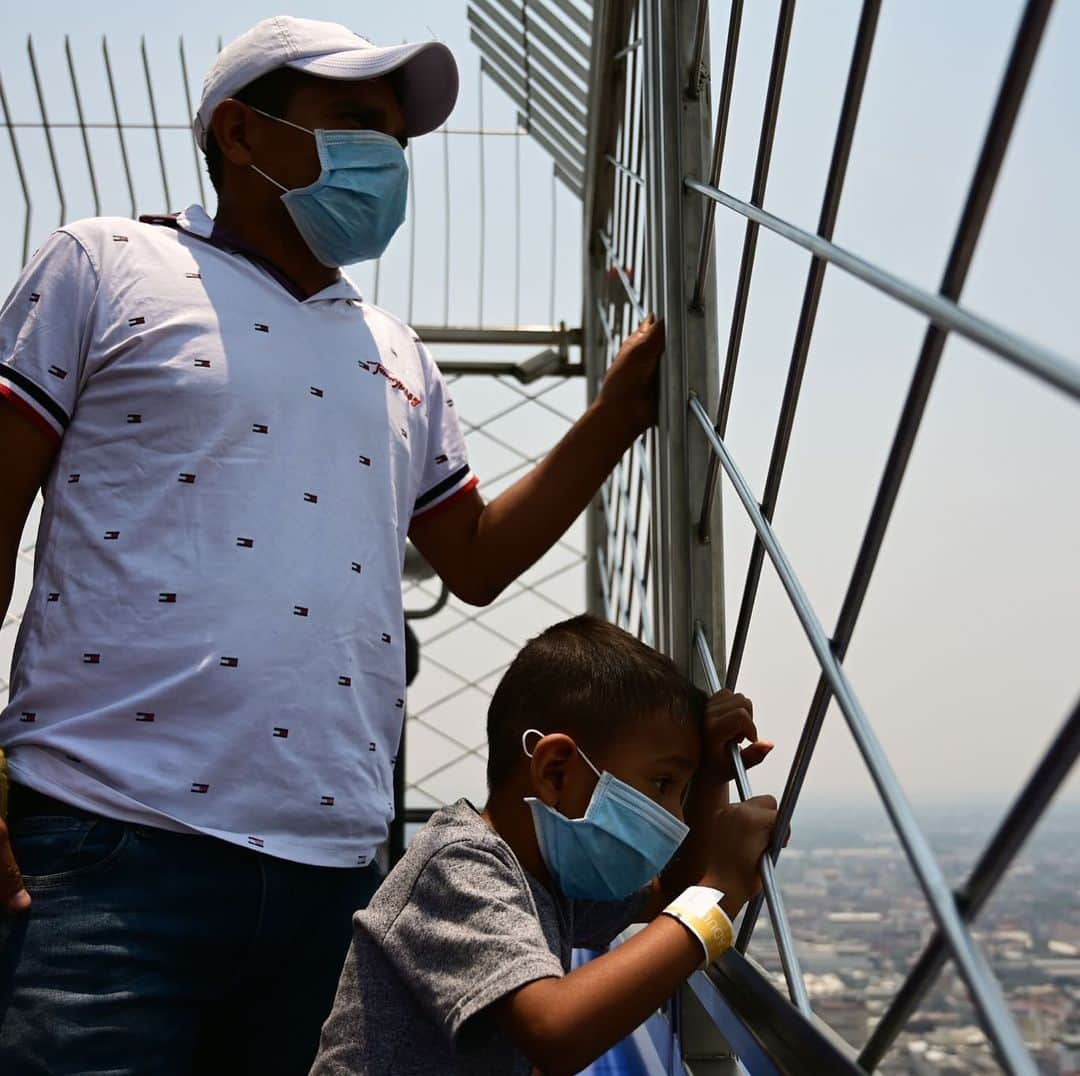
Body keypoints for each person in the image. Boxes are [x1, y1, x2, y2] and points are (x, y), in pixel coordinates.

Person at [0, 16, 666, 1075]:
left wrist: (617, 418)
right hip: (109, 846)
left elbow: (477, 553)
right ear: (239, 131)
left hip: (330, 873)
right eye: (356, 122)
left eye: (398, 138)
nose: (388, 159)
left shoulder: (395, 351)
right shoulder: (106, 265)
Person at [312, 614, 778, 1076]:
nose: (675, 817)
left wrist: (713, 780)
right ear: (556, 771)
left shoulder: (546, 876)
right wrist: (721, 887)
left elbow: (670, 897)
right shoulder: (459, 865)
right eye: (662, 783)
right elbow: (555, 1032)